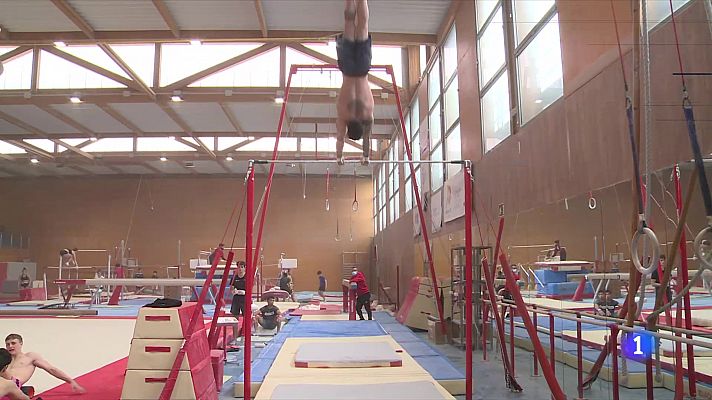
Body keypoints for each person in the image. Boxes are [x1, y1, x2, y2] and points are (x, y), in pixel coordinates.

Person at [336, 0, 373, 165]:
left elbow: (367, 137)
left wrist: (366, 156)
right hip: (347, 69)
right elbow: (339, 139)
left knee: (363, 25)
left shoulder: (367, 115)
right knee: (349, 23)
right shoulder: (343, 115)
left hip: (363, 68)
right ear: (348, 128)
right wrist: (339, 156)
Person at [2, 334, 85, 394]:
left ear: (21, 344)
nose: (10, 346)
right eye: (7, 344)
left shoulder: (30, 357)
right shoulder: (5, 358)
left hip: (14, 383)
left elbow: (51, 369)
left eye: (13, 343)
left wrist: (70, 381)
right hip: (3, 383)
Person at [230, 262, 247, 340]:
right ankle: (235, 337)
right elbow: (231, 288)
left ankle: (245, 335)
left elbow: (250, 288)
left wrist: (245, 292)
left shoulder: (247, 277)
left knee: (246, 317)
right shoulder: (234, 277)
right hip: (236, 298)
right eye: (239, 267)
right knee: (235, 318)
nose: (240, 269)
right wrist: (234, 291)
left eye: (242, 267)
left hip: (244, 298)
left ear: (244, 268)